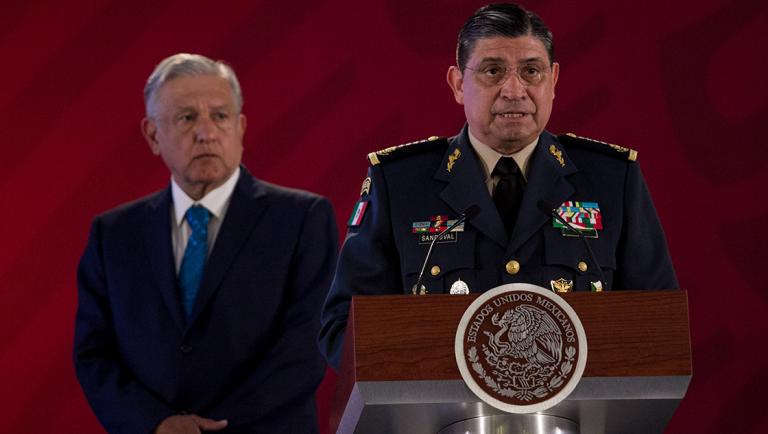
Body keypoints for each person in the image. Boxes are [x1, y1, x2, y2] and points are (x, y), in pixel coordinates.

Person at [318, 3, 678, 369]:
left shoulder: (611, 180)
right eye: (493, 71)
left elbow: (660, 325)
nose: (514, 89)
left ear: (553, 79)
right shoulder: (399, 183)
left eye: (531, 71)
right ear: (458, 84)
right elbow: (342, 331)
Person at [74, 53, 338, 433]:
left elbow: (307, 344)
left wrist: (208, 429)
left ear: (241, 126)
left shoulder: (303, 218)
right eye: (186, 118)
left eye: (220, 116)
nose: (206, 132)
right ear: (152, 135)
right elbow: (94, 353)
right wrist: (158, 423)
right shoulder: (113, 233)